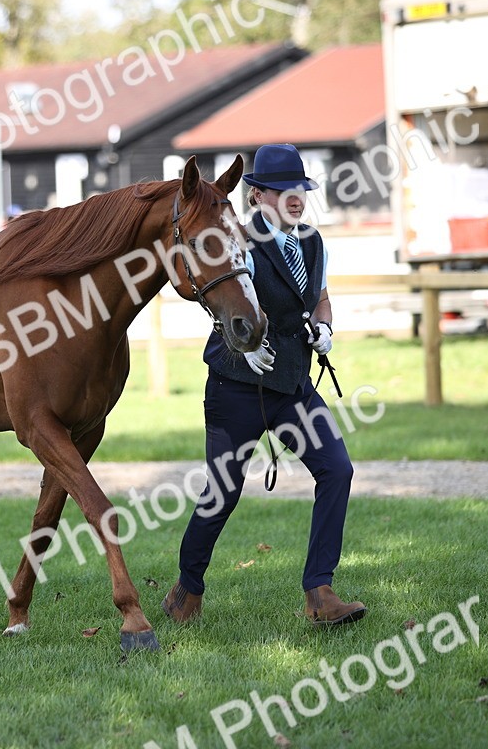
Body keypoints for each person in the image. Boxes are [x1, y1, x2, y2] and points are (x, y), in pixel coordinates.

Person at [162, 144, 366, 627]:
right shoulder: (240, 239)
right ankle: (187, 588)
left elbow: (321, 297)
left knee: (337, 469)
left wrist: (325, 328)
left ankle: (320, 591)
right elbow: (218, 297)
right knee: (222, 493)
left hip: (293, 384)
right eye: (282, 190)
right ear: (257, 195)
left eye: (300, 189)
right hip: (237, 384)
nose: (295, 198)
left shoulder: (313, 242)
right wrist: (245, 344)